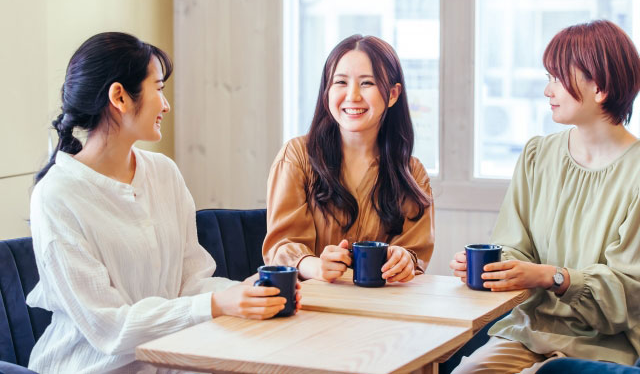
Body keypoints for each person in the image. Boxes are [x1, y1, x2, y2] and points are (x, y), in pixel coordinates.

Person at [27, 32, 300, 374]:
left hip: (171, 362)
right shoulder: (57, 197)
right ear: (120, 97)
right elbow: (109, 328)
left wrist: (250, 293)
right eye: (158, 88)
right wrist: (216, 304)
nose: (166, 105)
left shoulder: (163, 173)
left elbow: (190, 283)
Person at [450, 19, 640, 373]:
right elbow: (516, 247)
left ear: (598, 87)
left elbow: (627, 295)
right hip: (526, 333)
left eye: (556, 78)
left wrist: (552, 277)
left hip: (603, 348)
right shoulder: (538, 155)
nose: (547, 91)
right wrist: (495, 267)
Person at [263, 34, 434, 282]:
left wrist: (404, 260)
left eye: (367, 83)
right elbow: (280, 247)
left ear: (393, 94)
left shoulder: (412, 173)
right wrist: (315, 266)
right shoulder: (297, 157)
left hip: (382, 309)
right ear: (327, 91)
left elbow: (414, 255)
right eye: (341, 82)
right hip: (310, 307)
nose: (352, 96)